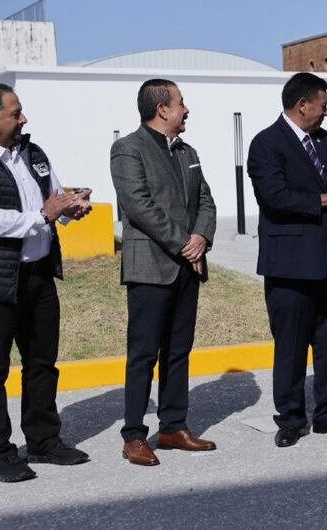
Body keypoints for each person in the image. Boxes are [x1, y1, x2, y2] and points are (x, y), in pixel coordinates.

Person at [0, 82, 92, 483]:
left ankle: (43, 442)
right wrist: (43, 215)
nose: (23, 119)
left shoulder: (33, 152)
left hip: (39, 276)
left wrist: (70, 208)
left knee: (42, 364)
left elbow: (52, 197)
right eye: (15, 112)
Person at [247, 72, 327, 448]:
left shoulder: (324, 140)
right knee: (291, 345)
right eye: (323, 105)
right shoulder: (266, 144)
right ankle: (290, 418)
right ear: (303, 105)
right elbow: (275, 197)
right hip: (289, 264)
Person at [110, 79, 217, 466]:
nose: (186, 110)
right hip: (151, 268)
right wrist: (183, 243)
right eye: (181, 103)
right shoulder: (127, 150)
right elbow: (137, 205)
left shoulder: (187, 151)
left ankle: (173, 427)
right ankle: (134, 435)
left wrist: (202, 235)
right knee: (143, 354)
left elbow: (206, 199)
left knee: (178, 351)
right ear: (162, 110)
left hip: (186, 268)